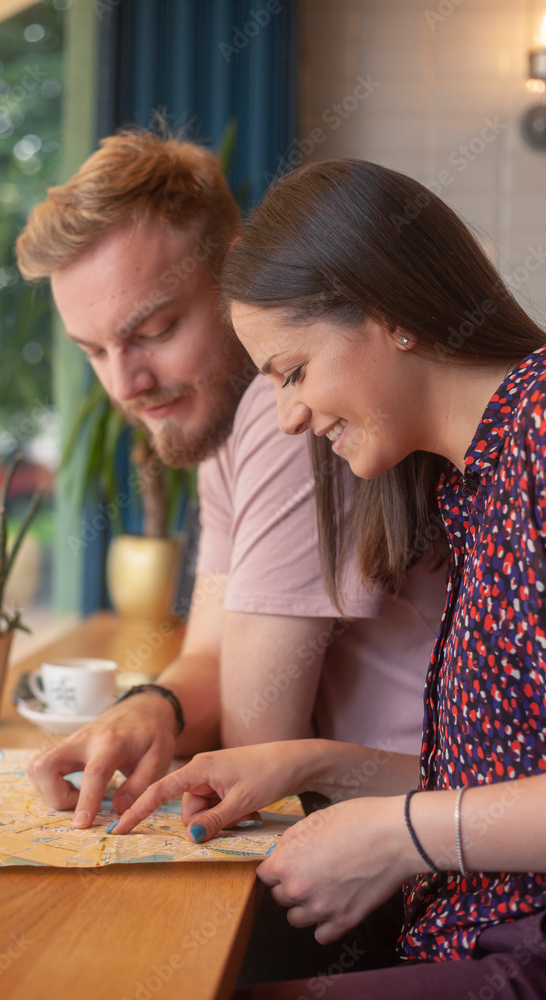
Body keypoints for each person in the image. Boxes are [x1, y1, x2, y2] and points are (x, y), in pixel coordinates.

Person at [112, 158, 546, 998]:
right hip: (470, 937)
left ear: (392, 317)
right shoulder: (471, 481)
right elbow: (500, 777)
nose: (287, 417)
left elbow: (456, 819)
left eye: (293, 370)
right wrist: (310, 764)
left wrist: (402, 836)